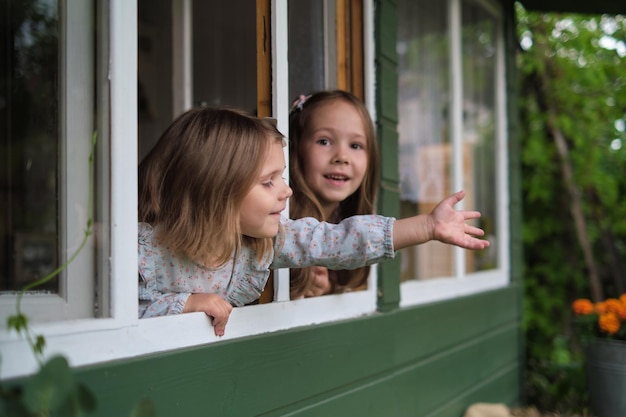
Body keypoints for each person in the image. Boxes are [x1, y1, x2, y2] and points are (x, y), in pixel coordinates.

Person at [138, 106, 489, 336]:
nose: (286, 191)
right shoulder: (143, 251)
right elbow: (106, 319)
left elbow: (338, 240)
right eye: (268, 182)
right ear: (212, 189)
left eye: (282, 177)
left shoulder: (262, 243)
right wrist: (183, 305)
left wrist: (426, 227)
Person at [288, 90, 379, 298]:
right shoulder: (279, 216)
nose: (342, 157)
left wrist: (325, 288)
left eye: (355, 145)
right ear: (297, 146)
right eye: (324, 141)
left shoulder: (344, 219)